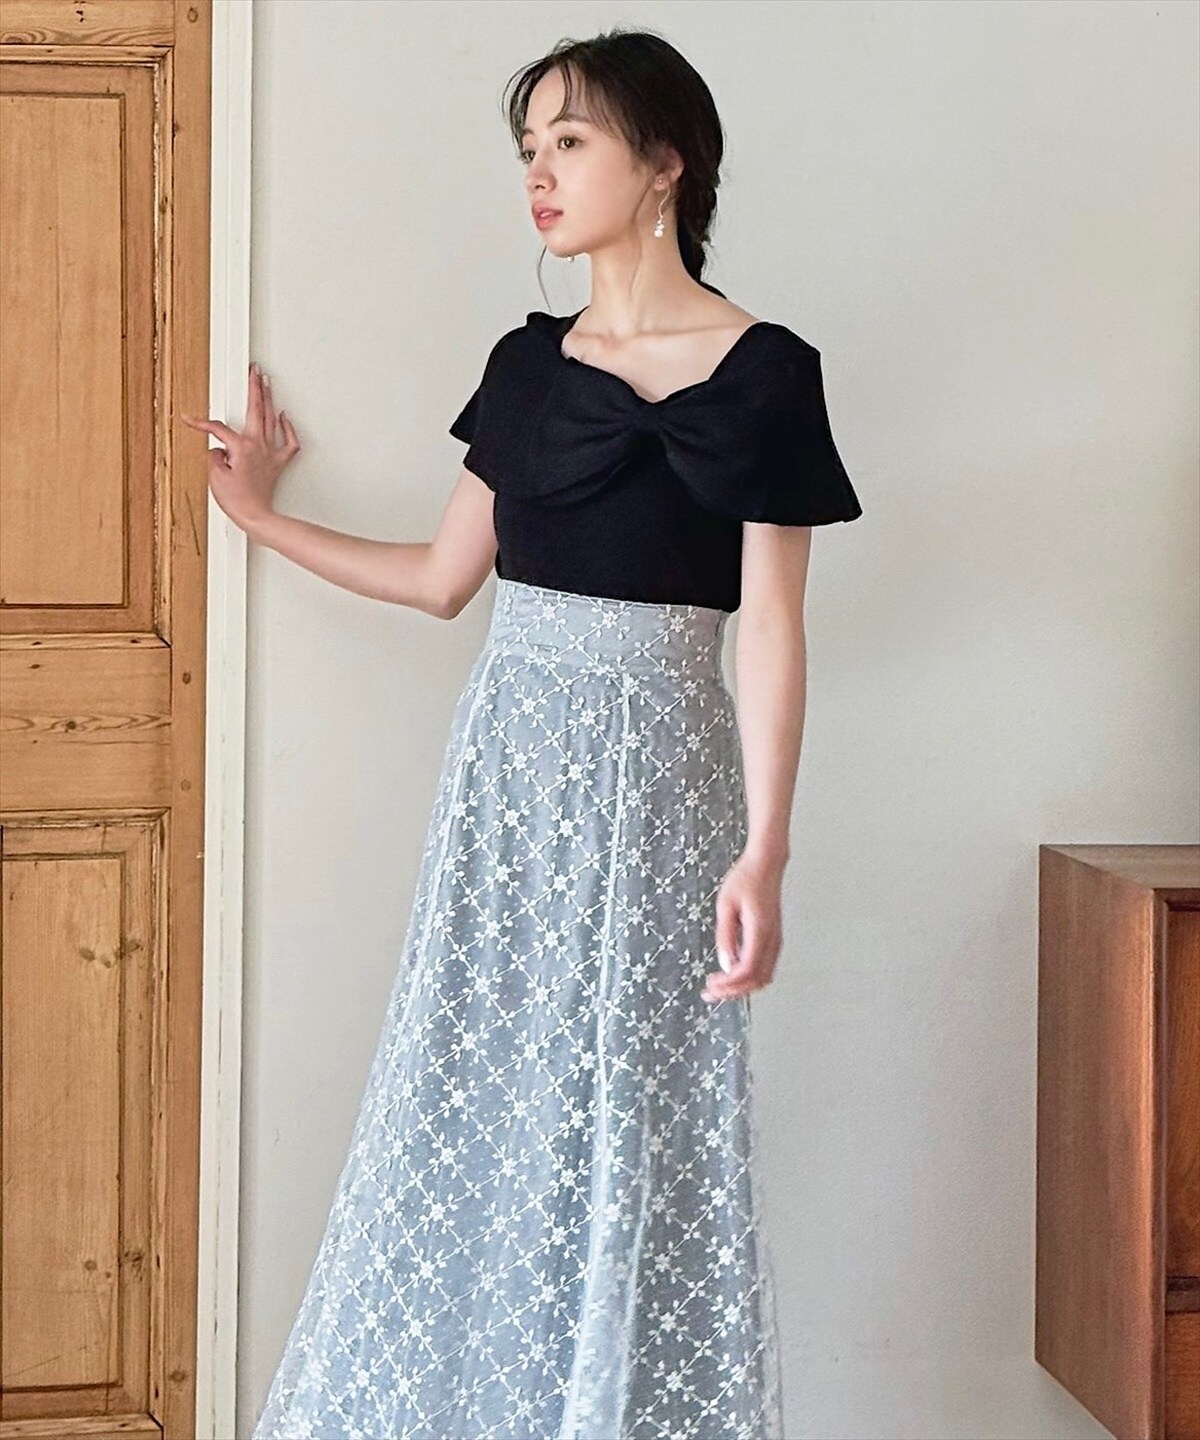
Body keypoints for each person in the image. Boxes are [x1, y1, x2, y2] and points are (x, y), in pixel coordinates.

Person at [185, 26, 861, 1440]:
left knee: (640, 1110)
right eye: (528, 150)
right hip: (513, 780)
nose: (539, 175)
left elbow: (772, 628)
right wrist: (260, 518)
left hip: (670, 782)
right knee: (481, 1090)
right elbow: (445, 582)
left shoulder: (769, 372)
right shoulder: (527, 365)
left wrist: (767, 848)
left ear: (664, 161)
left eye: (570, 142)